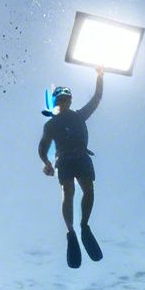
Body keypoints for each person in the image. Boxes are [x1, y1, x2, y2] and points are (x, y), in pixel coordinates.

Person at [38, 67, 105, 268]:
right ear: (57, 102)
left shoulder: (79, 115)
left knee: (88, 190)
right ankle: (71, 231)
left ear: (69, 101)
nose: (64, 102)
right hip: (65, 159)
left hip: (81, 156)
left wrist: (100, 76)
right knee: (68, 191)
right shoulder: (51, 124)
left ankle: (83, 225)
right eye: (61, 100)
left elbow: (96, 98)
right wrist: (47, 163)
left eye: (66, 99)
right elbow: (42, 147)